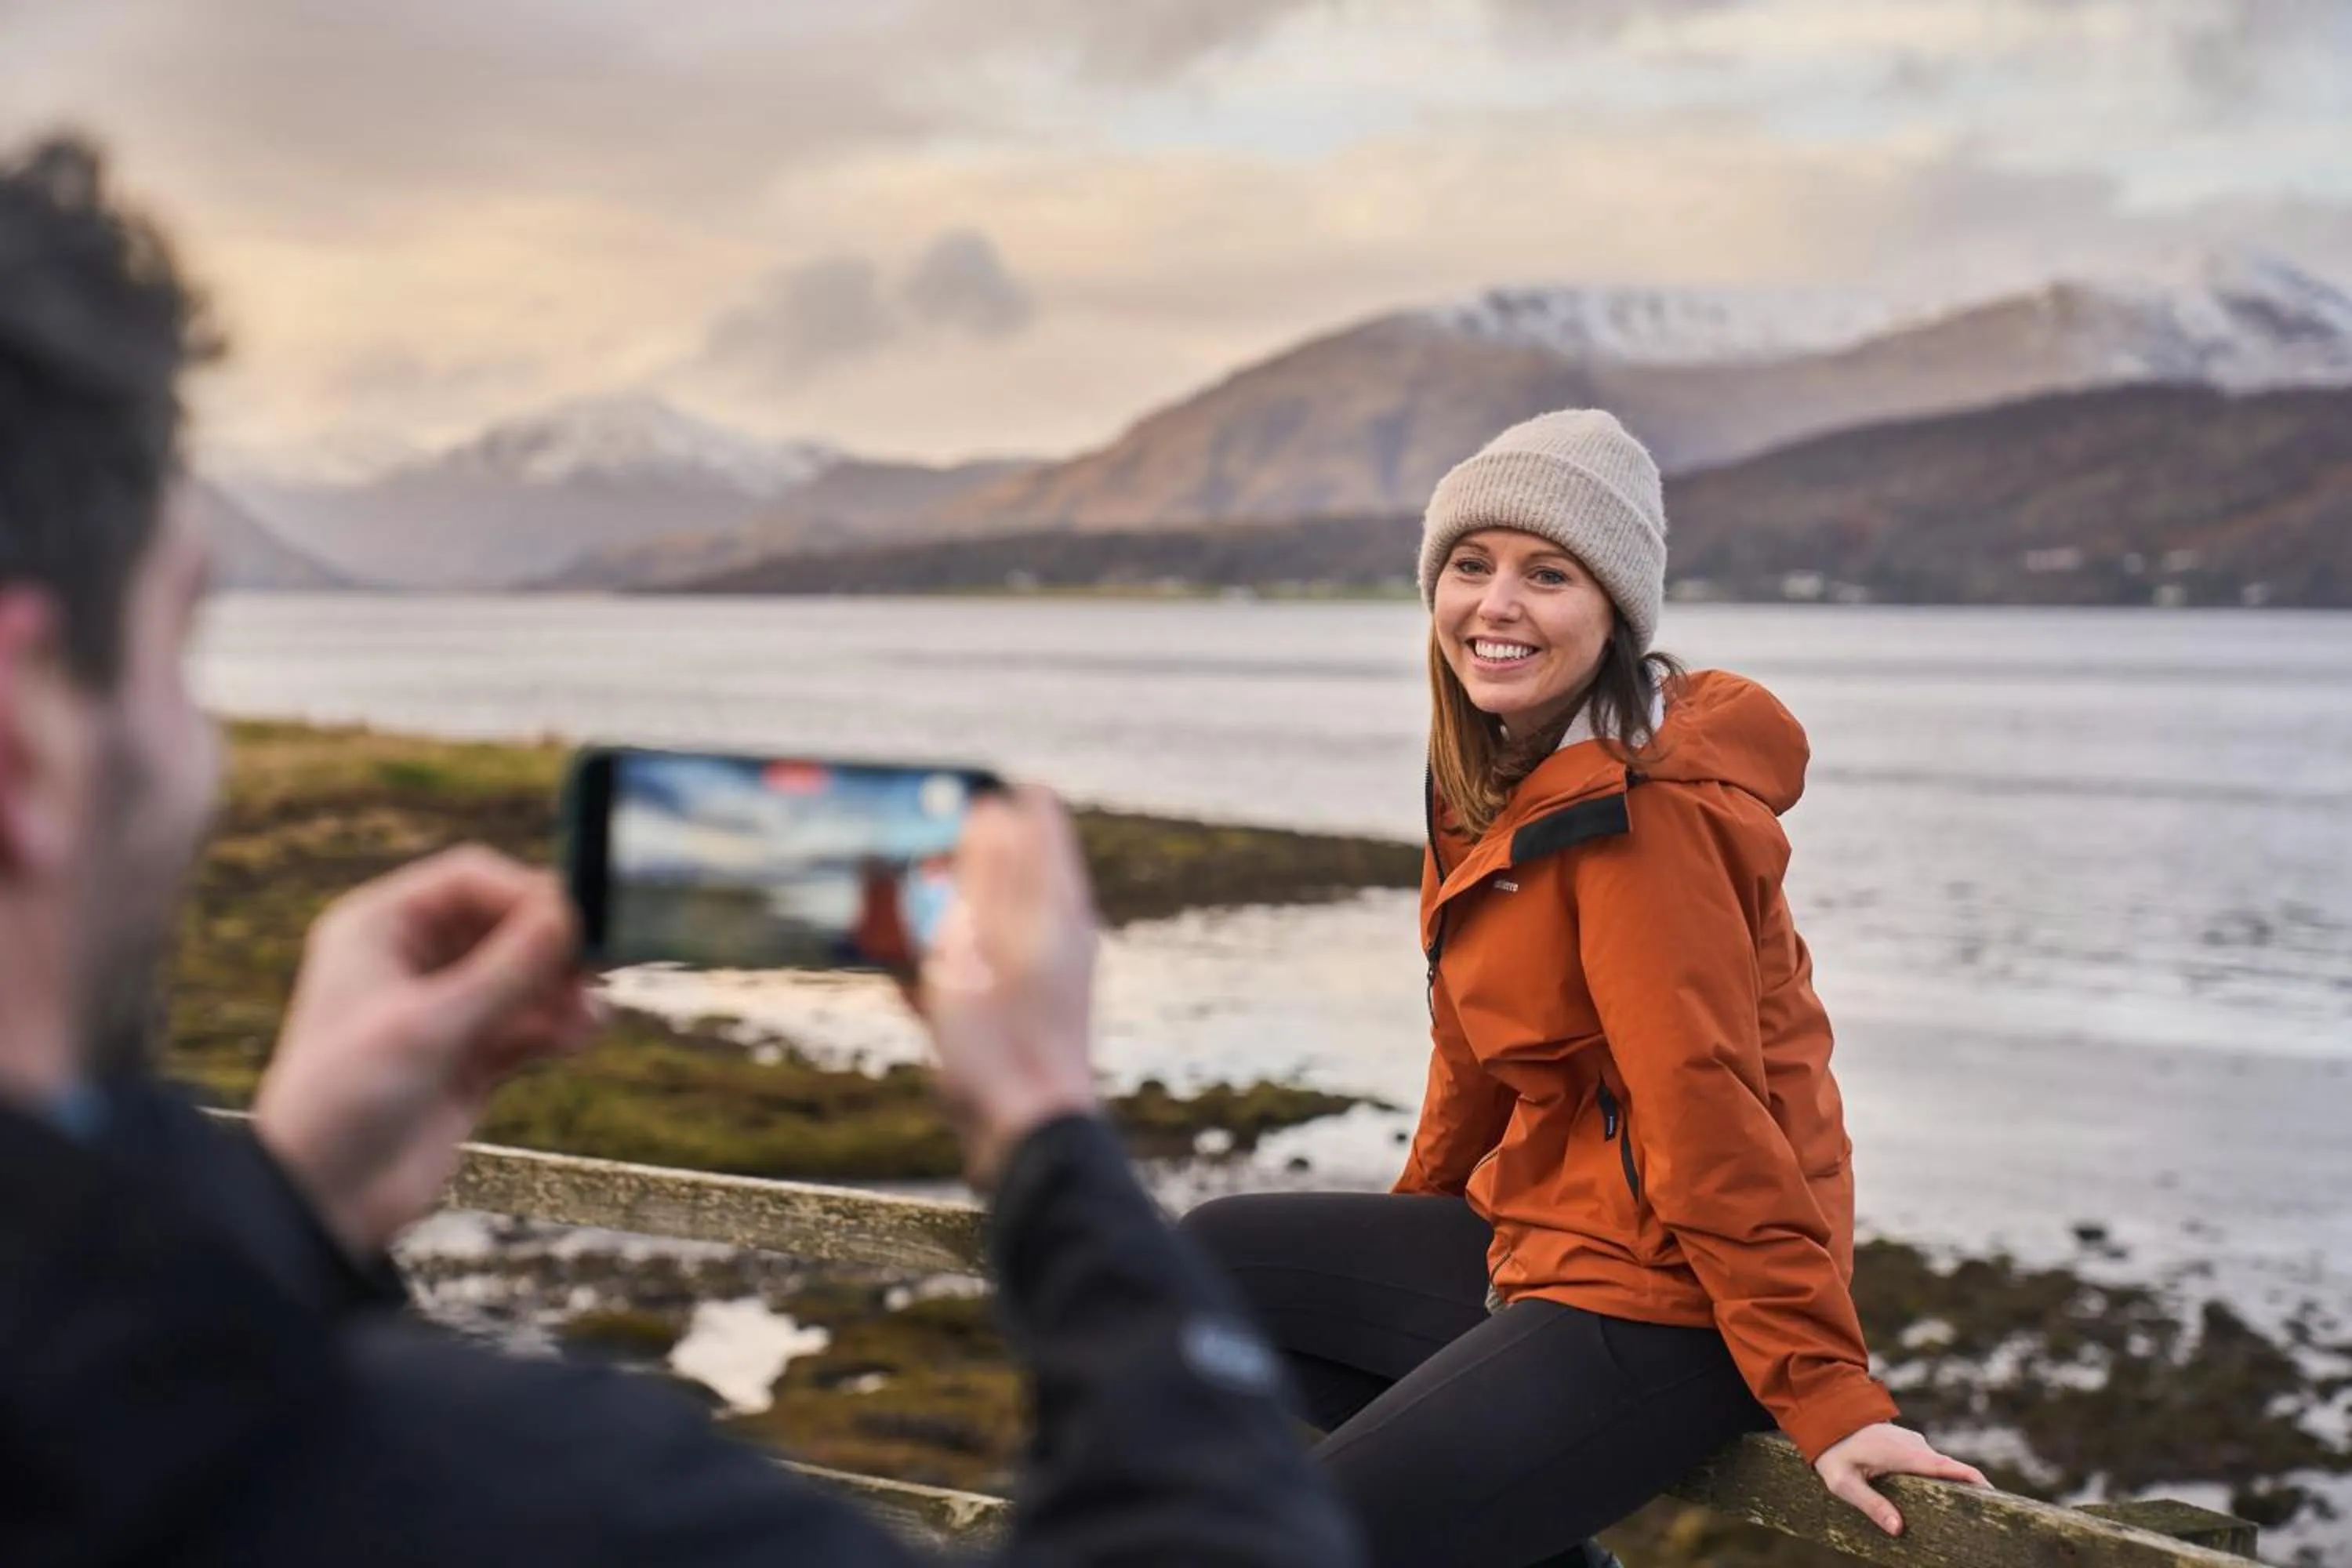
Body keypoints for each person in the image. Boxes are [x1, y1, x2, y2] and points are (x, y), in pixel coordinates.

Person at [0, 135, 1363, 1568]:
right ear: (29, 746)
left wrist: (291, 1207)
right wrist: (1047, 1134)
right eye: (179, 644)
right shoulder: (509, 1501)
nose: (205, 742)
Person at [1181, 410, 1989, 1568]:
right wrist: (1417, 1225)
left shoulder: (1642, 815)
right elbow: (1470, 1057)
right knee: (1205, 1270)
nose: (1496, 605)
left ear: (1615, 610)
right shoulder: (1492, 778)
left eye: (1548, 575)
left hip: (1679, 1299)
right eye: (1472, 565)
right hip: (1545, 1241)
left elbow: (1706, 1106)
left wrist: (1827, 1392)